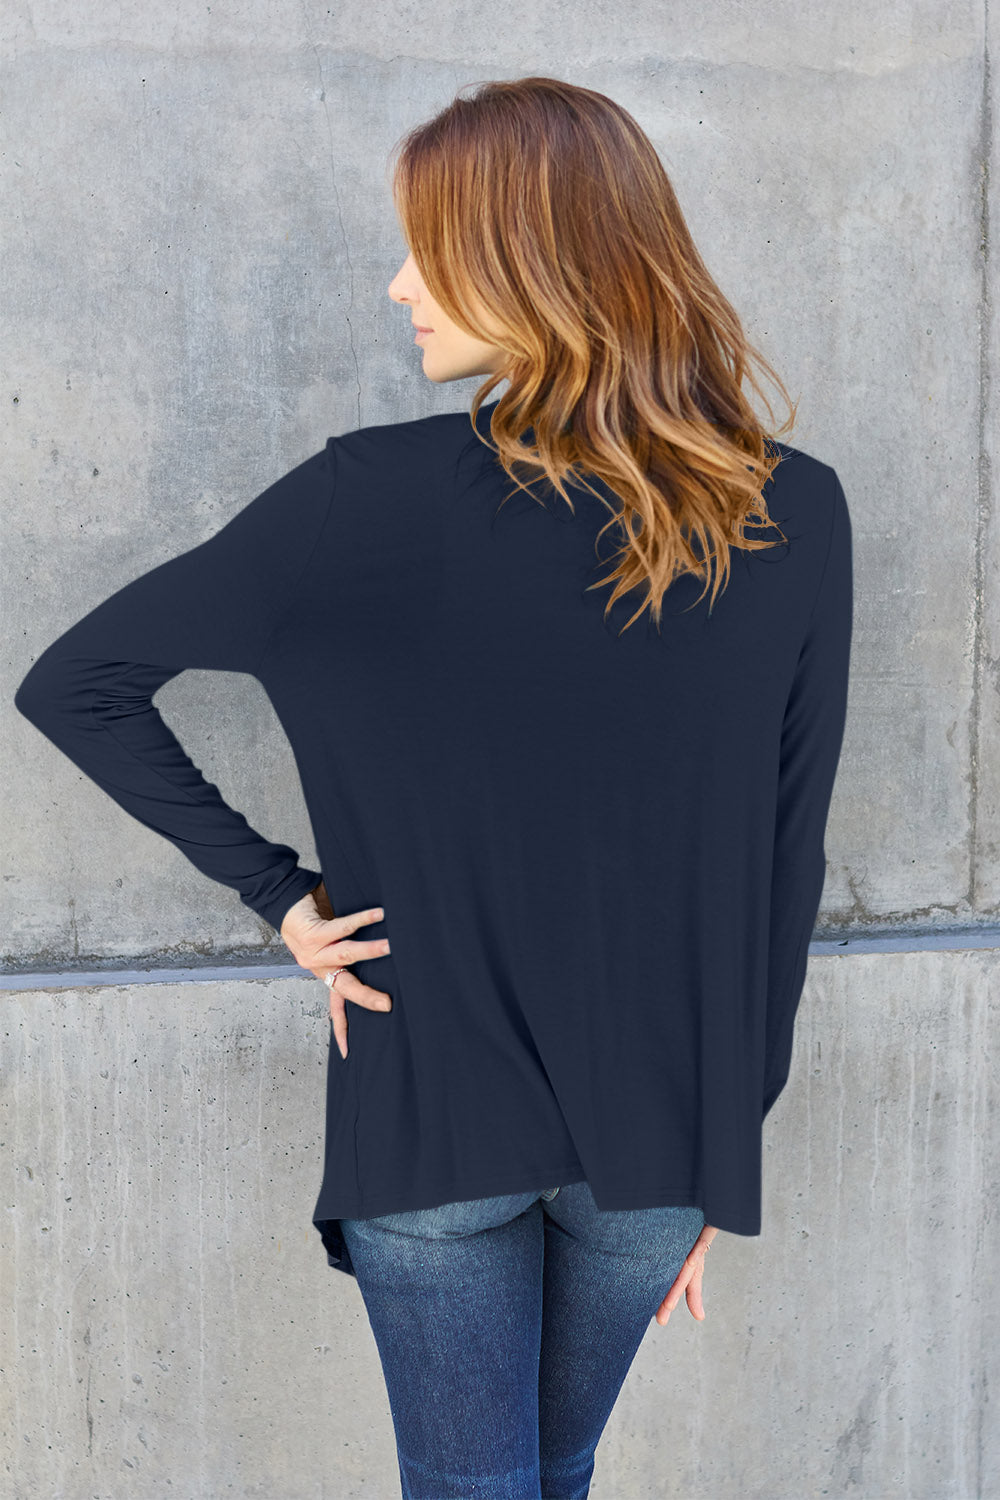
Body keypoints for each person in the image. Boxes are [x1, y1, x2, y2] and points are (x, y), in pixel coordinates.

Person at [13, 75, 853, 1500]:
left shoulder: (360, 503)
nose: (398, 284)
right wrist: (726, 1145)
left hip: (433, 1112)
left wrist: (282, 897)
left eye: (432, 247)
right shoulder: (788, 507)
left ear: (535, 260)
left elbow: (74, 683)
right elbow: (787, 866)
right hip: (661, 1136)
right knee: (559, 1472)